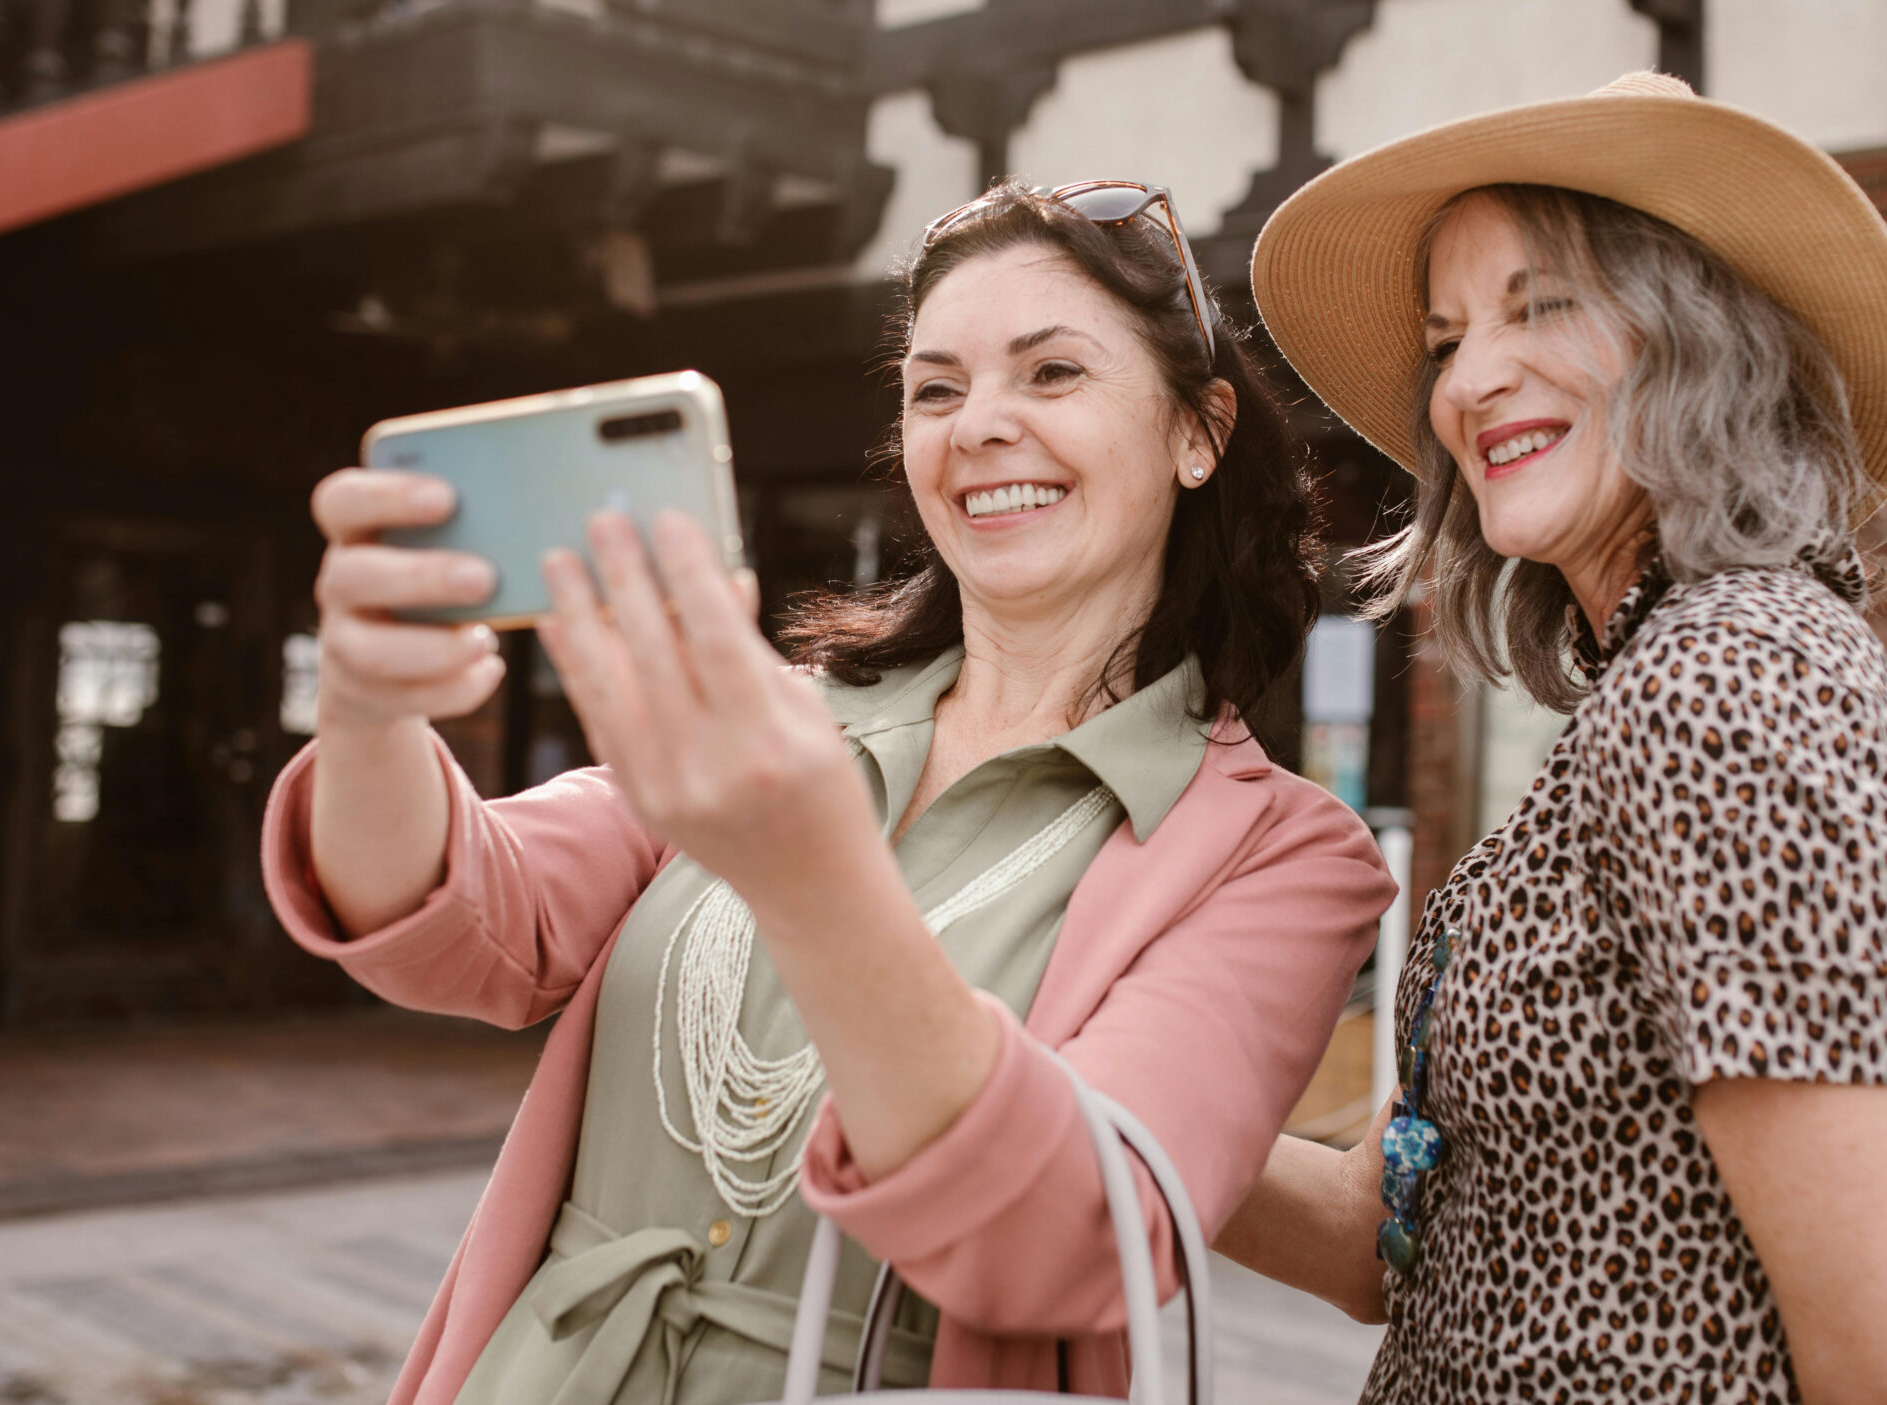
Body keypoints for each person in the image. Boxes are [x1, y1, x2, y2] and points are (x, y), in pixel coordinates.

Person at [262, 178, 1396, 1405]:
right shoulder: (783, 721)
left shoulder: (1280, 856)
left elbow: (1065, 1240)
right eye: (936, 389)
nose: (978, 427)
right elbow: (458, 924)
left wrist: (809, 874)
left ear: (1198, 432)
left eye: (1052, 374)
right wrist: (368, 709)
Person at [1219, 73, 1887, 1404]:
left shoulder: (1726, 696)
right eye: (1449, 335)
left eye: (1543, 308)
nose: (1470, 379)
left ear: (1698, 341)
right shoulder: (1659, 685)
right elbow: (1394, 1236)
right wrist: (1060, 1095)